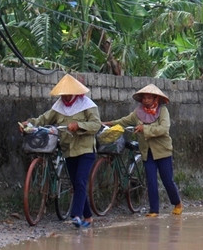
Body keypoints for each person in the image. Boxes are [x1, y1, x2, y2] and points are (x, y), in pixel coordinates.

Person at [20, 74, 101, 228]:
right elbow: (44, 119)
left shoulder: (88, 105)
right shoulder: (58, 106)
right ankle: (88, 217)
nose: (65, 96)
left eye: (68, 93)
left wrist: (79, 125)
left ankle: (76, 215)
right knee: (77, 184)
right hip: (68, 150)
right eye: (63, 94)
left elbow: (96, 125)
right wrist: (29, 123)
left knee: (80, 181)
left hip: (85, 149)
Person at [104, 84, 182, 218]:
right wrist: (109, 123)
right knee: (151, 180)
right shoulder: (138, 112)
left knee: (167, 180)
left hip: (162, 150)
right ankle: (154, 210)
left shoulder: (162, 111)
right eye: (144, 98)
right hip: (147, 151)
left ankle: (177, 203)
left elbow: (164, 129)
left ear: (155, 98)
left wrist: (144, 129)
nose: (146, 100)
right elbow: (124, 121)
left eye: (149, 98)